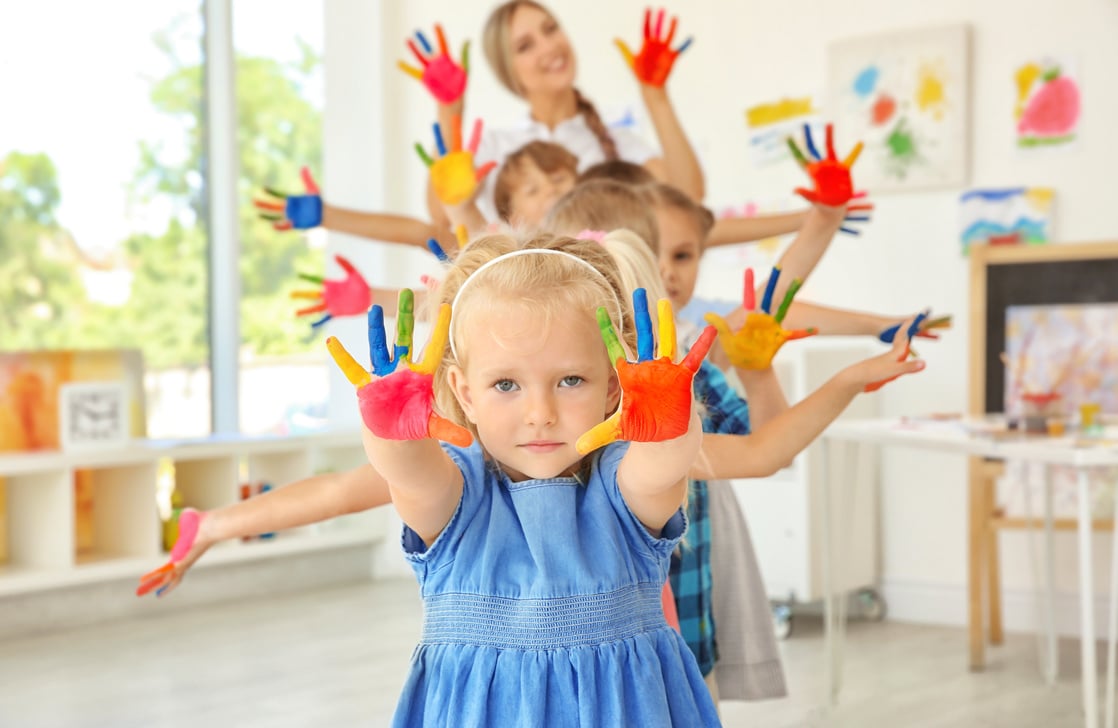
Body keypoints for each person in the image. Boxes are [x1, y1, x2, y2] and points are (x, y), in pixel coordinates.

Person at [344, 232, 721, 725]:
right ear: (466, 392)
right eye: (506, 384)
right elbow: (412, 475)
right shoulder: (461, 495)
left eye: (570, 381)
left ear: (612, 387)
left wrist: (671, 424)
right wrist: (391, 432)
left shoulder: (619, 491)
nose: (539, 413)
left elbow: (661, 469)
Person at [422, 2, 705, 226]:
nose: (549, 46)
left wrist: (655, 96)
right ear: (509, 71)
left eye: (551, 29)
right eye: (525, 46)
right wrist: (450, 109)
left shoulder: (617, 143)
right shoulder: (493, 148)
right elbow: (443, 215)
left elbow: (688, 197)